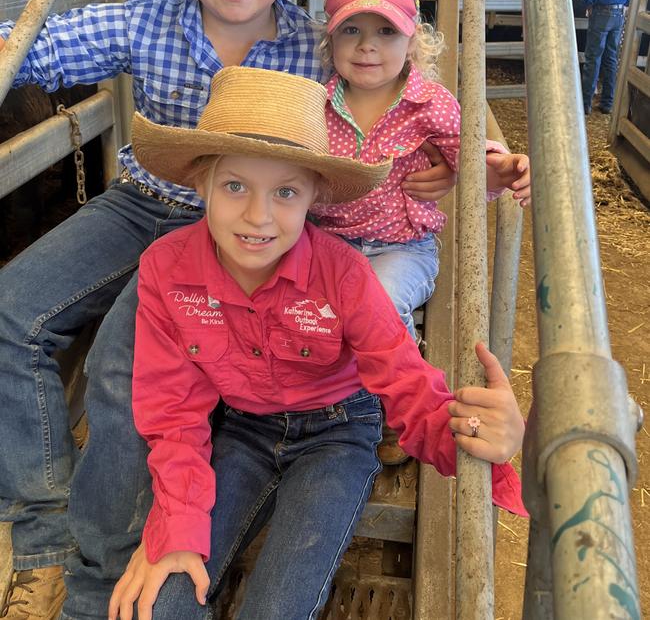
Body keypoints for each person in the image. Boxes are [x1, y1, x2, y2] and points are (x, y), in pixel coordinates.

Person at [0, 0, 456, 620]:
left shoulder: (320, 44)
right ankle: (43, 537)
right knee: (11, 307)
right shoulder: (146, 20)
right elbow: (34, 48)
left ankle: (103, 568)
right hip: (145, 202)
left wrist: (450, 157)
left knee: (117, 365)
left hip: (250, 226)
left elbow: (400, 90)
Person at [108, 65, 527, 620]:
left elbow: (407, 383)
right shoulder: (166, 269)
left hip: (339, 432)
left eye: (284, 191)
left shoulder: (345, 275)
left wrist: (476, 433)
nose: (258, 216)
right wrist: (177, 525)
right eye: (235, 185)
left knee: (278, 609)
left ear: (313, 198)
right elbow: (174, 408)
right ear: (200, 183)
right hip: (241, 428)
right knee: (162, 604)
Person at [311, 0, 531, 342]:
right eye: (351, 29)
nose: (366, 45)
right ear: (331, 37)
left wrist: (504, 167)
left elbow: (467, 155)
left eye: (386, 31)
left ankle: (402, 394)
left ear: (412, 40)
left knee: (379, 302)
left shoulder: (430, 104)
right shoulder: (317, 104)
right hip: (324, 245)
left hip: (399, 248)